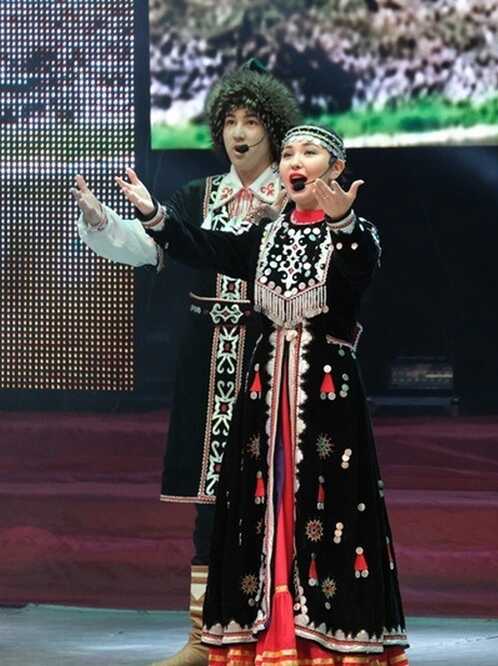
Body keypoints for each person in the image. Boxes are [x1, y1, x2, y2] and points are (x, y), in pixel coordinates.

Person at [109, 123, 408, 665]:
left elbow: (359, 272)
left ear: (335, 169)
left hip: (326, 398)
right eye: (289, 152)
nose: (295, 161)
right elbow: (205, 247)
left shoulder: (355, 234)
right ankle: (266, 635)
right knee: (260, 505)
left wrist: (342, 221)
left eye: (309, 153)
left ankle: (328, 639)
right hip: (264, 396)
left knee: (328, 505)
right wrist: (155, 215)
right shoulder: (265, 236)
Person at [72, 60, 301, 666]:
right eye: (230, 121)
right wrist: (101, 221)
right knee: (209, 500)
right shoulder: (199, 195)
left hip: (270, 357)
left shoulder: (295, 194)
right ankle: (204, 638)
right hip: (206, 363)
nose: (239, 132)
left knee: (273, 497)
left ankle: (278, 635)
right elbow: (149, 245)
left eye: (252, 120)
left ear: (273, 129)